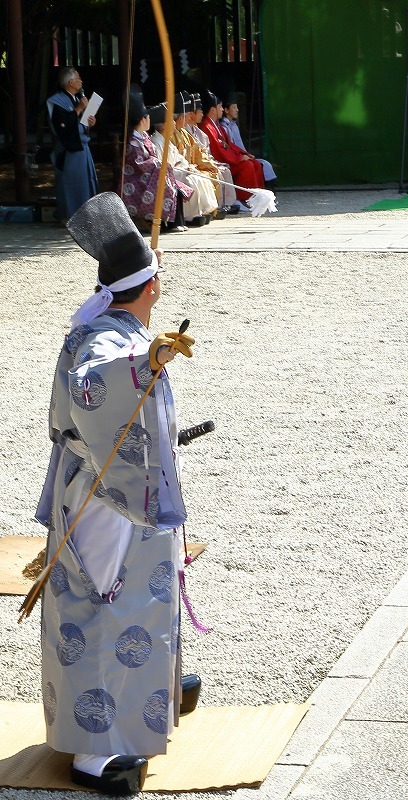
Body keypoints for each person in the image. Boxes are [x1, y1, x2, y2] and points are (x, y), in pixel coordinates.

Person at [36, 191, 201, 796]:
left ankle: (159, 686)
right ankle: (94, 751)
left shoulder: (103, 325)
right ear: (150, 288)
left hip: (117, 489)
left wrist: (147, 355)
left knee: (144, 595)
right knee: (104, 606)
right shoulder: (110, 339)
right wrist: (148, 357)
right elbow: (93, 383)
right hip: (104, 496)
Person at [120, 85, 190, 232]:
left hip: (150, 175)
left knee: (175, 187)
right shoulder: (133, 141)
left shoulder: (144, 136)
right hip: (137, 179)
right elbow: (139, 163)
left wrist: (159, 163)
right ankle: (168, 222)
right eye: (147, 117)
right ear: (142, 120)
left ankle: (176, 221)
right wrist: (158, 163)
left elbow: (151, 157)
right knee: (167, 184)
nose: (149, 120)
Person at [150, 98, 218, 227]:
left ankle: (202, 212)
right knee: (193, 180)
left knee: (200, 176)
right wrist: (183, 170)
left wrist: (188, 167)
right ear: (164, 125)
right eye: (171, 120)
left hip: (178, 171)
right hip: (170, 175)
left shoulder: (166, 141)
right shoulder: (156, 142)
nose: (174, 123)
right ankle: (190, 216)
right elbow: (161, 167)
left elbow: (179, 159)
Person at [46, 67, 99, 222]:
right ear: (70, 82)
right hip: (70, 150)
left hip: (83, 147)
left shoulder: (76, 99)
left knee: (86, 182)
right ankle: (73, 217)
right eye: (78, 78)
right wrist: (81, 108)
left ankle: (87, 215)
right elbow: (62, 125)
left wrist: (91, 122)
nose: (81, 81)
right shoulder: (57, 101)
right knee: (74, 184)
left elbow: (80, 124)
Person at [199, 91, 264, 207]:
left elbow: (229, 145)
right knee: (247, 166)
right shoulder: (207, 126)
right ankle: (244, 198)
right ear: (213, 110)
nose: (222, 110)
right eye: (220, 107)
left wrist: (244, 154)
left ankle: (258, 196)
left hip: (229, 157)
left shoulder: (215, 125)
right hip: (221, 160)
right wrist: (239, 158)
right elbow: (218, 151)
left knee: (255, 163)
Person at [186, 93, 240, 214]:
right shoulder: (192, 130)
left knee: (223, 170)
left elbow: (206, 152)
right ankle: (217, 206)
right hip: (192, 165)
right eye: (199, 112)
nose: (202, 114)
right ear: (191, 114)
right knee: (218, 172)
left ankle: (227, 204)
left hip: (204, 162)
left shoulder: (200, 132)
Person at [221, 97, 277, 189]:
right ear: (226, 110)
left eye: (237, 107)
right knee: (253, 164)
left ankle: (261, 190)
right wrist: (241, 157)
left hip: (241, 154)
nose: (237, 110)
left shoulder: (234, 125)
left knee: (263, 164)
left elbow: (239, 145)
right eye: (234, 107)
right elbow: (229, 147)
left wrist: (246, 154)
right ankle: (252, 192)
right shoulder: (224, 127)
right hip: (234, 158)